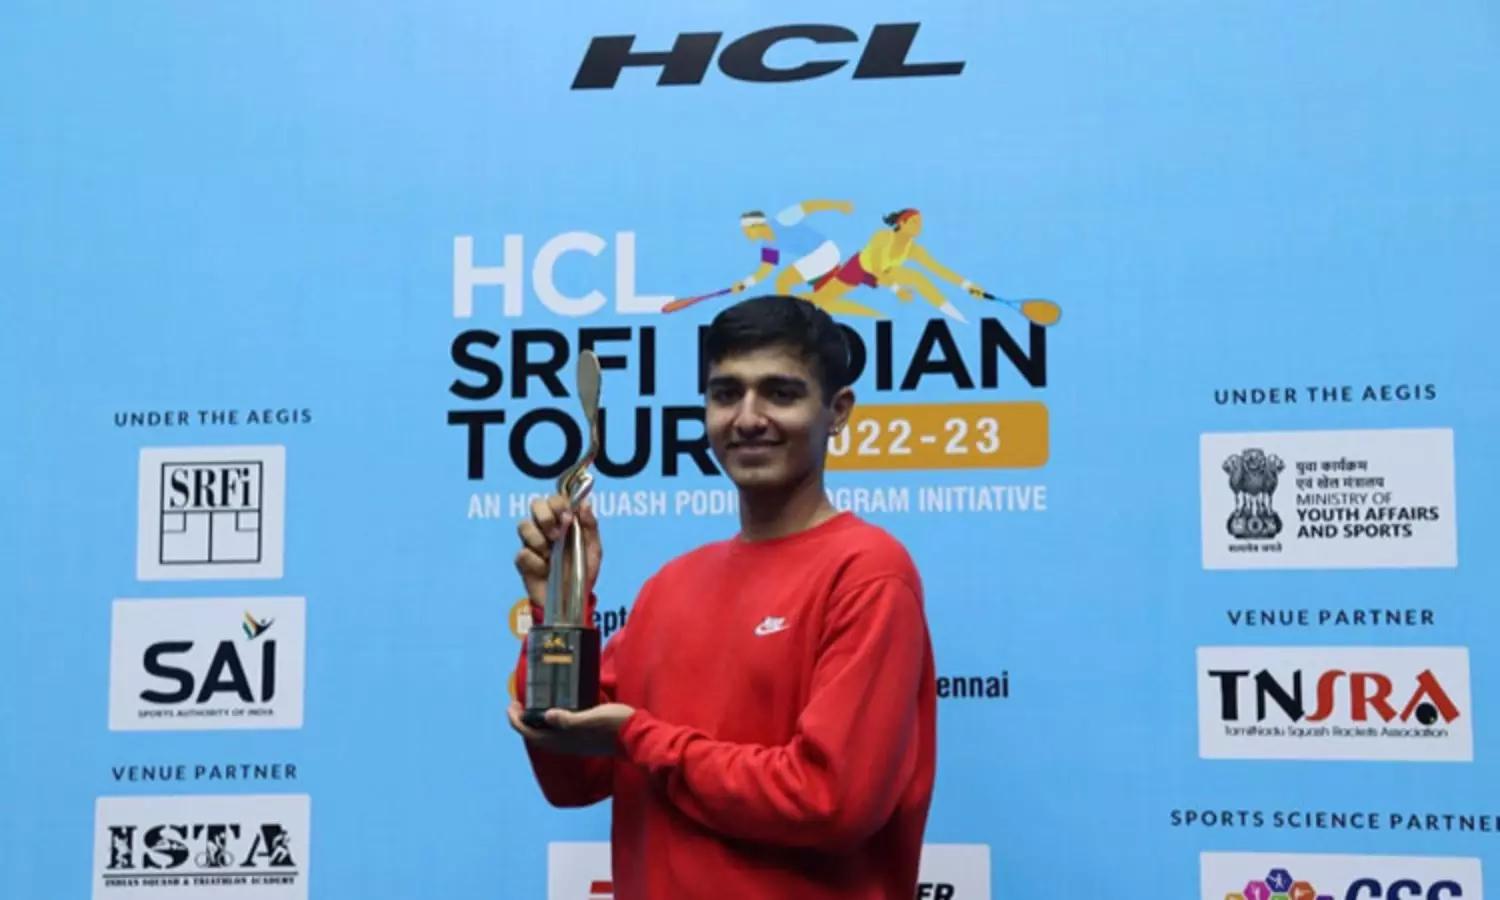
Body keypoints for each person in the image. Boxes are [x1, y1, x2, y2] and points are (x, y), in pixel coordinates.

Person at [507, 294, 938, 900]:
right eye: (726, 393)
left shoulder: (867, 572)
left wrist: (641, 738)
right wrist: (560, 607)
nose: (748, 418)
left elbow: (831, 801)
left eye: (781, 393)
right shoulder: (671, 586)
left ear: (837, 412)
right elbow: (573, 779)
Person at [808, 208, 986, 323]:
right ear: (902, 222)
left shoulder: (913, 250)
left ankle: (953, 313)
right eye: (915, 222)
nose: (919, 226)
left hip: (886, 272)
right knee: (821, 300)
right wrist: (897, 289)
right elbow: (875, 268)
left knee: (918, 279)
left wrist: (968, 286)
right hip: (858, 270)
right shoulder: (882, 236)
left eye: (920, 223)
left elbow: (938, 269)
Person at [731, 199, 854, 297]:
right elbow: (764, 270)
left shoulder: (782, 220)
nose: (745, 234)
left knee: (783, 281)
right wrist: (744, 284)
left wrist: (838, 205)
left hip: (825, 252)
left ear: (756, 226)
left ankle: (789, 315)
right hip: (819, 257)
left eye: (746, 231)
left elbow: (809, 206)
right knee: (783, 281)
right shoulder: (768, 244)